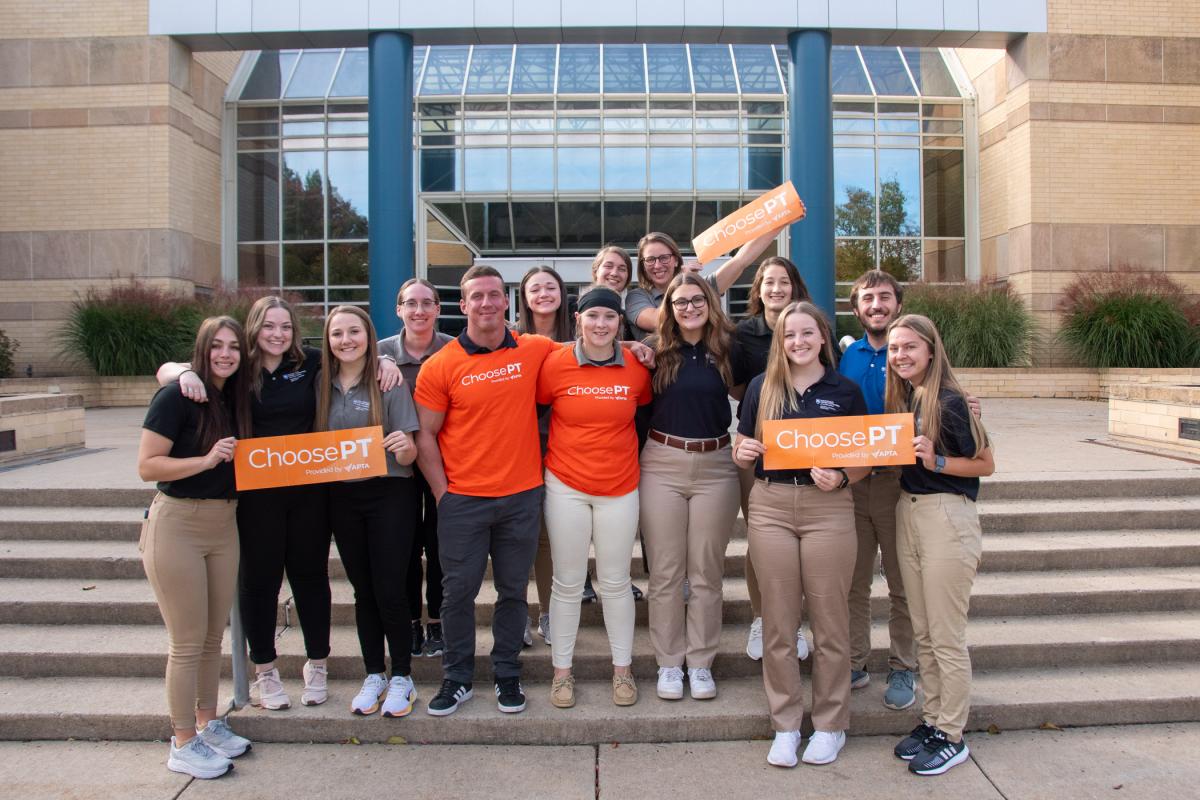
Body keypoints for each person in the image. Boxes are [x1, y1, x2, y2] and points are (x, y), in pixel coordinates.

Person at [155, 297, 401, 710]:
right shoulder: (238, 369)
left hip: (309, 491)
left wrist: (386, 362)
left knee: (310, 578)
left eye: (286, 327)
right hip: (255, 494)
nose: (278, 334)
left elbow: (356, 355)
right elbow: (169, 369)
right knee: (259, 582)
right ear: (254, 328)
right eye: (269, 326)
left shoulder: (310, 361)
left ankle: (316, 663)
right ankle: (265, 670)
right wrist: (182, 373)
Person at [414, 265, 561, 717]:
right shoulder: (440, 366)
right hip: (464, 501)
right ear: (463, 306)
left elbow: (586, 354)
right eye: (476, 296)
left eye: (494, 295)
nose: (486, 303)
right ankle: (456, 678)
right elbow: (425, 437)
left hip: (521, 498)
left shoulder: (534, 349)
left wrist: (633, 346)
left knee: (514, 592)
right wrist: (444, 495)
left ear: (506, 301)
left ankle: (506, 673)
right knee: (457, 594)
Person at [732, 301, 868, 768]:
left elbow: (864, 455)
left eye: (807, 333)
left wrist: (845, 476)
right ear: (780, 341)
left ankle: (830, 725)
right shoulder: (761, 387)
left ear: (822, 337)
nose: (798, 342)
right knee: (779, 622)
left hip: (827, 507)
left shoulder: (844, 390)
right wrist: (742, 449)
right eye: (790, 335)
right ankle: (786, 725)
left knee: (830, 622)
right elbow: (743, 442)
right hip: (770, 506)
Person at [137, 315, 253, 779]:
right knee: (186, 642)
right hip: (179, 525)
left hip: (223, 525)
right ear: (202, 351)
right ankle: (182, 740)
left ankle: (207, 724)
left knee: (210, 638)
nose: (226, 354)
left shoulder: (230, 397)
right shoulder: (178, 395)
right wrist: (205, 460)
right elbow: (148, 466)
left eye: (234, 347)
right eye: (217, 346)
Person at [886, 314, 994, 777]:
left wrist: (940, 459)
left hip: (946, 516)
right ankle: (932, 720)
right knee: (924, 630)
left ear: (931, 349)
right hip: (909, 512)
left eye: (910, 347)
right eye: (894, 349)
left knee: (946, 636)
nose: (901, 355)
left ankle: (952, 733)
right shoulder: (912, 396)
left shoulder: (949, 400)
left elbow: (985, 464)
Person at [536, 287, 652, 708]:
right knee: (567, 583)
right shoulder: (554, 363)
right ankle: (562, 673)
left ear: (620, 322)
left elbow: (644, 414)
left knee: (617, 582)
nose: (600, 324)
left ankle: (623, 670)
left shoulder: (637, 367)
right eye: (592, 316)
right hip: (565, 485)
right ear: (578, 319)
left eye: (609, 316)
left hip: (620, 487)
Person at [640, 273, 746, 702]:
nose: (688, 307)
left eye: (696, 299)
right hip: (661, 464)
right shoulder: (652, 352)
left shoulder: (727, 349)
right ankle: (669, 663)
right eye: (679, 301)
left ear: (710, 303)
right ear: (669, 307)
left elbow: (756, 391)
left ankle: (700, 664)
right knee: (666, 572)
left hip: (717, 466)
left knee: (706, 573)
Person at [317, 305, 422, 717]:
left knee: (390, 588)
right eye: (337, 333)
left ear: (369, 336)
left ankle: (403, 677)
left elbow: (411, 452)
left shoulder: (387, 380)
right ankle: (374, 672)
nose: (346, 340)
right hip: (341, 498)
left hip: (390, 493)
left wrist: (405, 447)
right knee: (363, 592)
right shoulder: (319, 383)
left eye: (354, 332)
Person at [730, 256, 812, 663]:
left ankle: (793, 623)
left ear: (795, 286)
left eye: (784, 281)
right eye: (768, 282)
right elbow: (738, 387)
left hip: (811, 448)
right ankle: (763, 617)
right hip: (760, 446)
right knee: (763, 540)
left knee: (802, 540)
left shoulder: (813, 325)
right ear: (757, 290)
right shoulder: (745, 334)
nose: (776, 289)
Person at [378, 279, 454, 661]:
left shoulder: (455, 351)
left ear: (438, 309)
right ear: (399, 310)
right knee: (405, 547)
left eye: (427, 303)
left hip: (446, 463)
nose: (419, 311)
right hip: (397, 468)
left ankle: (439, 622)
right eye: (411, 303)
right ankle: (410, 621)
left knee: (441, 545)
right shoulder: (378, 354)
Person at [516, 265, 573, 647]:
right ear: (524, 297)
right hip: (521, 445)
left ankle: (549, 613)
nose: (543, 294)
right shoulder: (511, 339)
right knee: (522, 533)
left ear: (561, 293)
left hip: (571, 444)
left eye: (550, 287)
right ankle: (516, 613)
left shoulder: (583, 335)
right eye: (534, 288)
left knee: (552, 537)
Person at [624, 230, 777, 340]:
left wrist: (784, 218)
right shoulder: (637, 297)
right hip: (662, 378)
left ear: (676, 260)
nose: (657, 265)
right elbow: (658, 320)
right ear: (643, 265)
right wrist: (681, 285)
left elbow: (740, 260)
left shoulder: (701, 288)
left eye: (664, 258)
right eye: (650, 259)